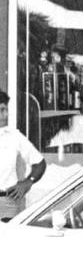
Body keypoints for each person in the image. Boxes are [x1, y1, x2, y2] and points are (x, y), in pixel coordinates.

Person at [0, 89, 46, 222]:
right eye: (2, 110)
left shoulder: (14, 137)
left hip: (8, 204)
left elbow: (40, 163)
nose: (6, 114)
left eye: (6, 110)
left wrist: (28, 182)